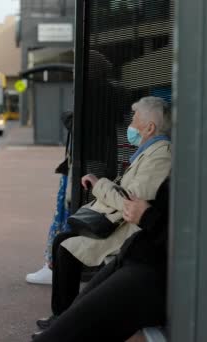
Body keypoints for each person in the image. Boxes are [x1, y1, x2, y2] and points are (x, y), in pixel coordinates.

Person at [37, 96, 172, 327]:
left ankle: (63, 319)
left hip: (126, 231)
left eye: (135, 118)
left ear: (149, 128)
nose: (130, 124)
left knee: (65, 248)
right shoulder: (149, 151)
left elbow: (131, 201)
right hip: (120, 224)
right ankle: (62, 316)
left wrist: (100, 185)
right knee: (63, 242)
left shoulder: (161, 155)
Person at [32, 176, 171, 341]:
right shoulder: (184, 164)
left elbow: (129, 200)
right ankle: (58, 318)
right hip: (138, 254)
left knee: (61, 334)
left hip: (154, 270)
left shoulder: (164, 155)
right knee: (68, 321)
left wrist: (147, 216)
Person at [26, 111, 74, 285]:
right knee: (64, 217)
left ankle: (53, 266)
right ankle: (53, 265)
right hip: (75, 171)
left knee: (63, 217)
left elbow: (67, 116)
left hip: (74, 176)